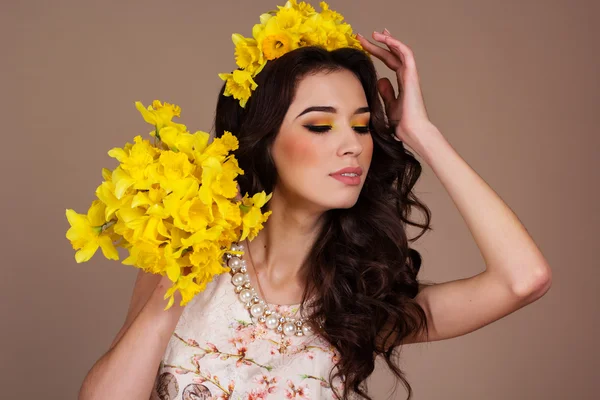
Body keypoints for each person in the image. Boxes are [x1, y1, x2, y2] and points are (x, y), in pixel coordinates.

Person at [78, 2, 552, 399]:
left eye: (363, 125)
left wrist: (420, 132)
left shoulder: (360, 304)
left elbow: (524, 279)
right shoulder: (186, 253)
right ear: (262, 141)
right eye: (320, 126)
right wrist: (175, 286)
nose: (353, 145)